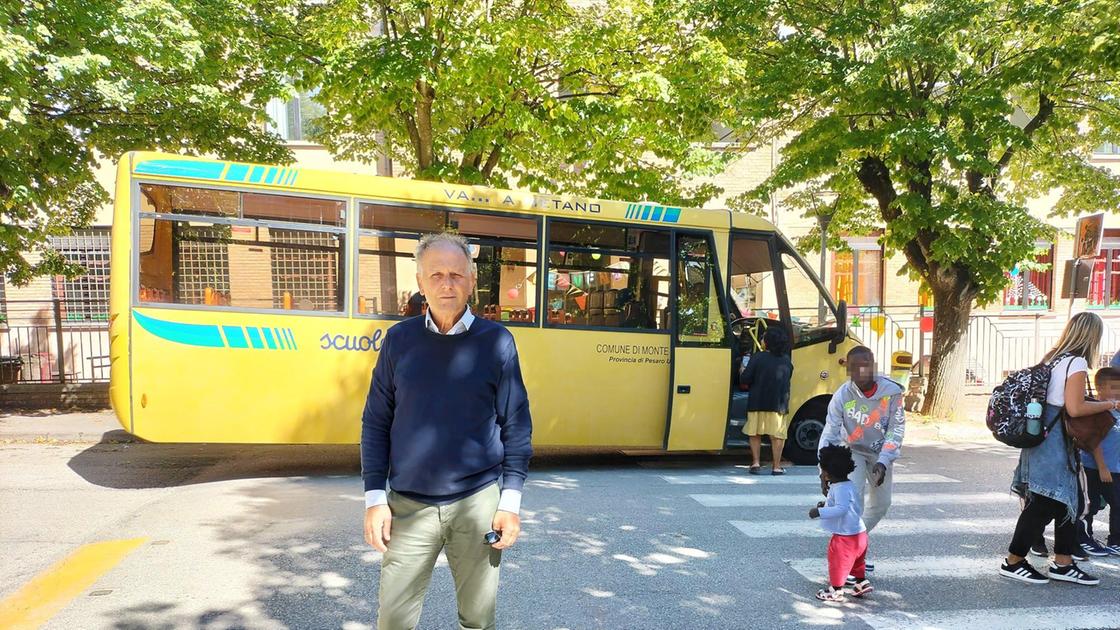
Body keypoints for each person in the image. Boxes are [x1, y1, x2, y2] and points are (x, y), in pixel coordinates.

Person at [361, 232, 533, 630]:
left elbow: (516, 425)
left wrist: (509, 504)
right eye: (435, 274)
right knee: (393, 620)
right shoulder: (399, 341)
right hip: (407, 505)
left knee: (478, 619)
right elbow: (376, 421)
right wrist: (374, 498)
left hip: (477, 505)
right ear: (420, 282)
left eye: (456, 274)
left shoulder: (497, 343)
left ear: (472, 281)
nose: (446, 283)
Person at [1002, 311, 1116, 586]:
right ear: (1092, 337)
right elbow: (1075, 408)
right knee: (1045, 502)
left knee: (1070, 500)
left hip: (1045, 436)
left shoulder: (1054, 357)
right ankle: (1013, 560)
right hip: (1053, 442)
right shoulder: (1075, 363)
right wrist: (1110, 404)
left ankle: (1063, 562)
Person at [818, 346, 905, 546]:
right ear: (848, 370)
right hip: (852, 450)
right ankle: (848, 548)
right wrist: (824, 467)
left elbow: (896, 428)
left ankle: (856, 542)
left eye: (865, 366)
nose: (860, 372)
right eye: (854, 367)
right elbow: (830, 431)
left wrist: (884, 461)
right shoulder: (843, 394)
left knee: (882, 504)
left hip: (880, 452)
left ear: (873, 366)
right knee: (852, 499)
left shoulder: (891, 393)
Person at [810, 443, 872, 603]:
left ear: (828, 473)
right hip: (860, 534)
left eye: (823, 470)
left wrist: (819, 512)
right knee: (858, 562)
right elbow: (852, 506)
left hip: (846, 537)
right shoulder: (848, 485)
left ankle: (836, 590)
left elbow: (841, 509)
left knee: (837, 560)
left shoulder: (839, 489)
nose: (822, 473)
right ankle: (861, 583)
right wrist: (825, 505)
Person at [741, 326, 795, 475]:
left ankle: (756, 463)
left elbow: (745, 378)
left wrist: (742, 369)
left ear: (768, 342)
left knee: (755, 433)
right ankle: (776, 466)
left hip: (757, 402)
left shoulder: (758, 357)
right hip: (778, 404)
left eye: (764, 337)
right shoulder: (786, 360)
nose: (762, 340)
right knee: (777, 436)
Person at [1078, 367, 1120, 557]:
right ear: (1100, 388)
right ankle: (1084, 538)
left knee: (1118, 503)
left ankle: (1116, 540)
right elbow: (1094, 441)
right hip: (1095, 468)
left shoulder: (1116, 409)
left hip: (1116, 468)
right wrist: (1102, 467)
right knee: (1091, 504)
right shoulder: (1097, 410)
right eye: (1116, 388)